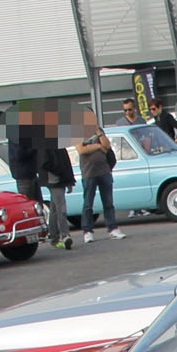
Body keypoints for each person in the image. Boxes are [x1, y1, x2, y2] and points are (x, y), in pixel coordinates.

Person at [75, 112, 123, 242]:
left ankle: (113, 228)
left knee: (108, 202)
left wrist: (98, 131)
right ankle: (87, 231)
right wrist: (97, 146)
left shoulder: (98, 130)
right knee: (88, 203)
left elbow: (107, 146)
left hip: (104, 171)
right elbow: (81, 150)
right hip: (89, 172)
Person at [40, 107, 75, 249]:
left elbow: (64, 160)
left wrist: (68, 179)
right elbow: (46, 162)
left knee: (55, 208)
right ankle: (65, 235)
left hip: (58, 177)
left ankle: (54, 238)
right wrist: (63, 175)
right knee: (61, 207)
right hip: (54, 178)